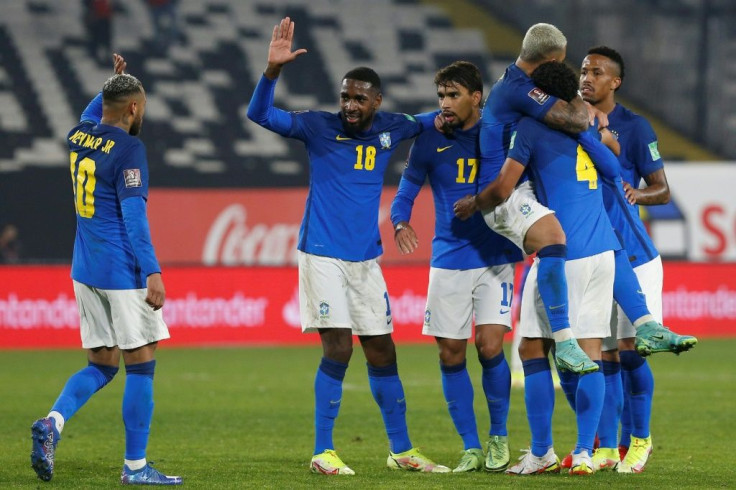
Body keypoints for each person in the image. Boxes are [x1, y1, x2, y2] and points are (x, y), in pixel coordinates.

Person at [246, 17, 448, 476]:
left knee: (382, 350)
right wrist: (272, 72)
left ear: (377, 101)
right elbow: (259, 115)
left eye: (359, 98)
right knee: (338, 348)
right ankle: (323, 450)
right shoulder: (317, 127)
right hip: (321, 254)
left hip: (365, 260)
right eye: (345, 96)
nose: (350, 105)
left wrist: (472, 111)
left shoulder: (393, 128)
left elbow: (434, 120)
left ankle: (401, 450)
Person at [461, 60, 623, 476]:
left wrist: (475, 203)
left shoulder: (531, 129)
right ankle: (586, 453)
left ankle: (541, 452)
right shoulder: (583, 129)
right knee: (591, 352)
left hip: (563, 250)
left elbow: (502, 186)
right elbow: (613, 170)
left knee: (533, 349)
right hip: (603, 250)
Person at [30, 54, 181, 486]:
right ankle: (135, 468)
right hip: (122, 271)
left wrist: (110, 86)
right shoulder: (131, 149)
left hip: (85, 269)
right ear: (134, 108)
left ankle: (53, 424)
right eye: (142, 105)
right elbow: (134, 219)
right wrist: (152, 271)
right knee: (141, 363)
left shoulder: (79, 134)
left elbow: (91, 112)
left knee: (102, 363)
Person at [391, 61, 522, 473]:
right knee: (450, 353)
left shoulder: (499, 132)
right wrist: (400, 219)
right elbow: (408, 186)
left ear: (476, 97)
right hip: (448, 258)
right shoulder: (430, 139)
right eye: (441, 97)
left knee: (489, 347)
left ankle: (498, 436)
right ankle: (470, 446)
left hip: (495, 256)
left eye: (453, 95)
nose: (445, 104)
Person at [453, 23, 602, 376]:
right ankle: (566, 342)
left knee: (555, 253)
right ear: (549, 59)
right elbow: (577, 120)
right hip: (501, 194)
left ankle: (545, 339)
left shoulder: (517, 84)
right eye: (560, 64)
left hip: (519, 187)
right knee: (553, 238)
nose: (562, 70)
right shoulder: (520, 89)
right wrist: (574, 93)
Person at [579, 45, 697, 474]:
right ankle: (609, 446)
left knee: (631, 352)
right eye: (584, 69)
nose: (587, 76)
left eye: (597, 71)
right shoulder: (568, 123)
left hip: (634, 255)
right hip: (595, 257)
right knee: (605, 355)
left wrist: (635, 192)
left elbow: (661, 189)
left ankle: (641, 441)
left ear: (616, 82)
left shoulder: (634, 126)